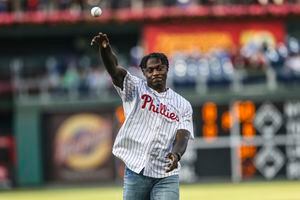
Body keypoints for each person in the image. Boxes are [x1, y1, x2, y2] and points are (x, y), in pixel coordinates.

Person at [91, 32, 194, 200]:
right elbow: (114, 70)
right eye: (150, 70)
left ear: (166, 69)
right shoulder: (135, 88)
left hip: (166, 175)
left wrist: (176, 155)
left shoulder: (183, 104)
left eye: (159, 68)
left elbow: (183, 135)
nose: (155, 73)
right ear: (144, 73)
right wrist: (105, 49)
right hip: (136, 169)